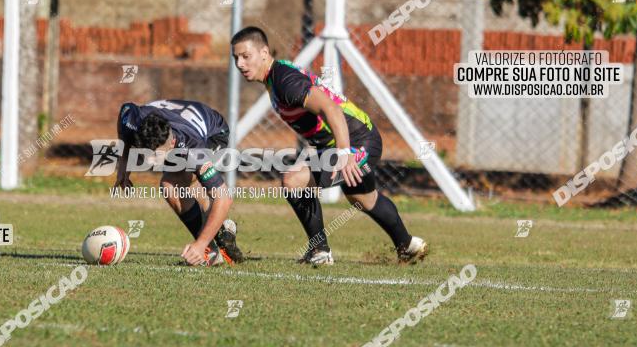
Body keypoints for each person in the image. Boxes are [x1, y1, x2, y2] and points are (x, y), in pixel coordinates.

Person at [230, 26, 428, 265]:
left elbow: (331, 108)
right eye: (235, 58)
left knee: (293, 180)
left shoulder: (284, 81)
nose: (240, 64)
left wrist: (345, 152)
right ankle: (407, 245)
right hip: (351, 140)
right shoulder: (276, 77)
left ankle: (319, 251)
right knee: (363, 199)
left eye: (245, 56)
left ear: (263, 52)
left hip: (357, 141)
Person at [113, 99, 243, 266]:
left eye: (155, 155)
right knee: (178, 184)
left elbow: (224, 198)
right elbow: (126, 111)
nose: (150, 161)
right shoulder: (132, 120)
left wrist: (200, 244)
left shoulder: (194, 148)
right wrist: (123, 168)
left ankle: (208, 249)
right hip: (182, 119)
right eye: (146, 153)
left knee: (172, 186)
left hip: (214, 132)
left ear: (171, 143)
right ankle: (220, 230)